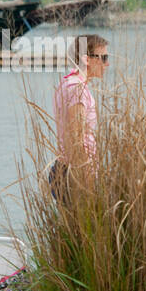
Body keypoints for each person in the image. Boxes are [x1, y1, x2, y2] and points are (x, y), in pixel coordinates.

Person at [49, 34, 109, 201]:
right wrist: (87, 184)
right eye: (103, 58)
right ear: (87, 59)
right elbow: (76, 138)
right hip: (75, 175)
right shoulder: (77, 89)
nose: (107, 64)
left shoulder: (67, 83)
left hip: (67, 171)